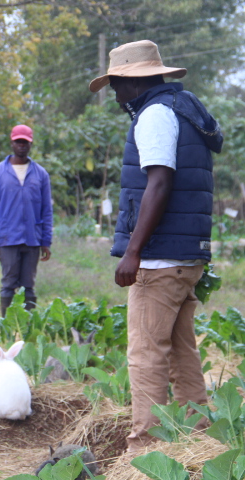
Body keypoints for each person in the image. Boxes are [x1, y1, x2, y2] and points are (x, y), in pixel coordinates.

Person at [89, 40, 223, 451]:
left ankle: (144, 450)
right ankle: (198, 438)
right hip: (187, 256)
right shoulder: (184, 110)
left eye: (115, 85)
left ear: (134, 81)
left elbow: (159, 182)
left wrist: (133, 250)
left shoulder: (155, 115)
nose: (114, 94)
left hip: (160, 260)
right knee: (182, 350)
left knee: (146, 354)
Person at [0, 124, 53, 315]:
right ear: (12, 143)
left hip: (32, 238)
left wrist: (46, 241)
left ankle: (28, 326)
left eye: (25, 142)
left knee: (28, 286)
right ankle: (7, 325)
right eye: (18, 142)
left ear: (30, 145)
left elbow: (47, 210)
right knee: (8, 284)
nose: (21, 145)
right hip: (7, 238)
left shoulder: (40, 174)